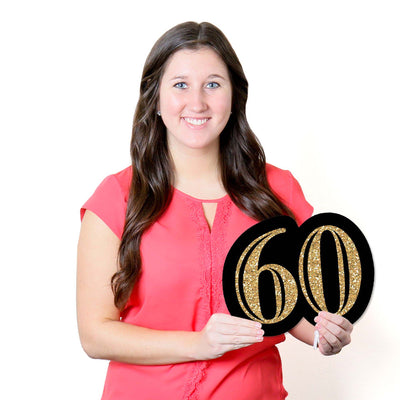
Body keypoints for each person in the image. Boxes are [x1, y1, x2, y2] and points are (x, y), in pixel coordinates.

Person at [77, 21, 353, 400]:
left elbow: (293, 309)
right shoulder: (117, 197)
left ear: (234, 95)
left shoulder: (278, 190)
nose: (197, 103)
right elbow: (95, 334)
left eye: (213, 84)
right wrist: (199, 344)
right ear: (155, 98)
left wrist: (325, 334)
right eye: (180, 85)